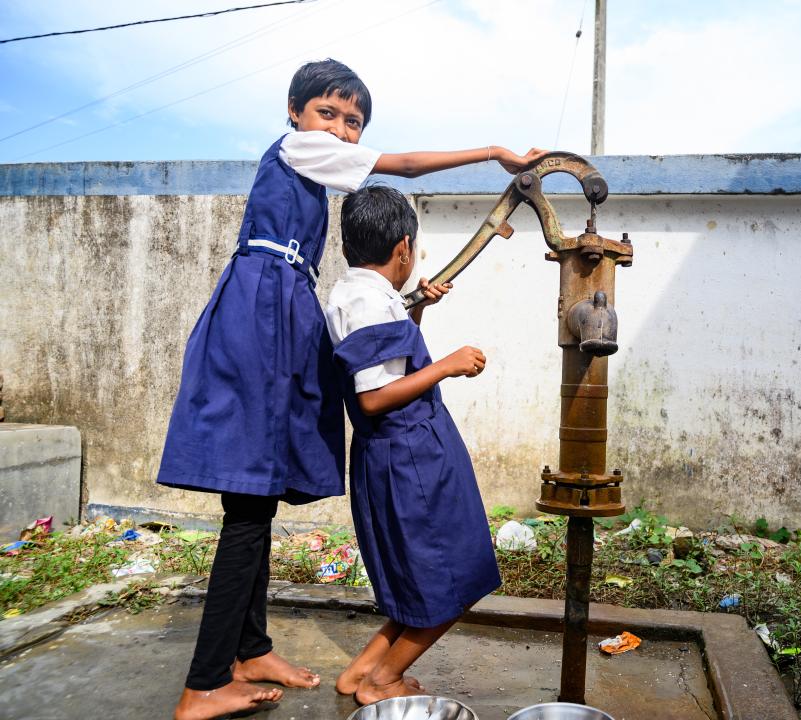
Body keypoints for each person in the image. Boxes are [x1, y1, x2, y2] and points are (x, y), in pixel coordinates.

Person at [157, 58, 542, 720]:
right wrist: (495, 153)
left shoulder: (316, 205)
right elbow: (410, 166)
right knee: (249, 498)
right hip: (262, 312)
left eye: (353, 122)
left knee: (259, 494)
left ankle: (248, 650)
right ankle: (204, 683)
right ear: (295, 113)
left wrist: (415, 301)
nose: (339, 130)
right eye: (328, 114)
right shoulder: (296, 149)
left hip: (283, 307)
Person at [326, 185, 498, 705]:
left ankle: (362, 671)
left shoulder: (358, 293)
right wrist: (449, 363)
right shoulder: (368, 301)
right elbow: (375, 396)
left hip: (395, 453)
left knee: (420, 577)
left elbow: (388, 360)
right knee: (455, 577)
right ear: (403, 247)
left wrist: (417, 308)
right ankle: (383, 681)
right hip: (411, 456)